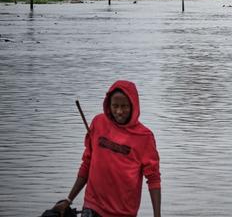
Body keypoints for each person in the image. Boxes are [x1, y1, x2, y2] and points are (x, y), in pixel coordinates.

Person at [53, 80, 161, 217]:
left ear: (133, 106)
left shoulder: (144, 137)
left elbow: (153, 179)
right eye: (115, 106)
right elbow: (87, 164)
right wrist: (68, 200)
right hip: (92, 207)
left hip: (123, 212)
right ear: (108, 105)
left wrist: (157, 215)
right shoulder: (98, 123)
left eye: (124, 106)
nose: (119, 111)